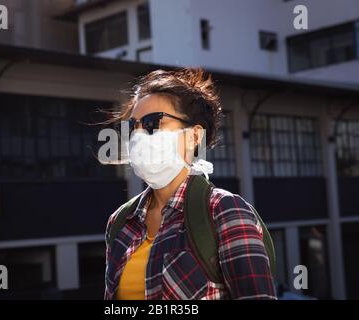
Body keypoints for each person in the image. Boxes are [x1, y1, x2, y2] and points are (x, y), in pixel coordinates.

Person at [103, 67, 277, 300]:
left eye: (153, 123)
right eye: (131, 127)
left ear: (194, 136)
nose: (138, 137)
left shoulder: (224, 211)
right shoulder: (120, 222)